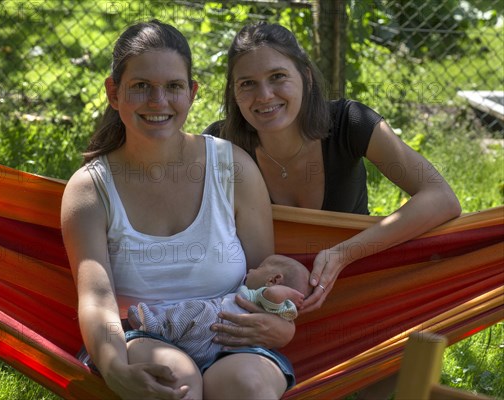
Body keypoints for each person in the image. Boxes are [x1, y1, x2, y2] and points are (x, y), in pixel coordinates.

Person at [205, 21, 462, 399]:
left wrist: (344, 252)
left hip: (354, 302)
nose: (264, 95)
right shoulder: (221, 144)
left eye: (278, 77)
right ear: (234, 92)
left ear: (306, 77)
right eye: (247, 84)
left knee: (392, 374)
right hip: (260, 315)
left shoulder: (349, 123)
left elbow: (441, 197)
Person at [61, 20, 296, 400]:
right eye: (141, 87)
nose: (159, 102)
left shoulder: (231, 168)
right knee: (178, 384)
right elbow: (96, 298)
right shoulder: (91, 189)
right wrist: (115, 368)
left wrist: (282, 325)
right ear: (113, 92)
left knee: (248, 387)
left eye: (173, 86)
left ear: (192, 93)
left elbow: (264, 277)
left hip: (233, 336)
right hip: (142, 339)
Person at [127, 254, 312, 369]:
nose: (251, 269)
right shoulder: (269, 312)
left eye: (259, 268)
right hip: (212, 349)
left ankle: (155, 327)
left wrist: (288, 294)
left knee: (196, 309)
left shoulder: (260, 296)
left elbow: (272, 295)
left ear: (273, 279)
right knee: (188, 317)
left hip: (214, 322)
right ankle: (158, 321)